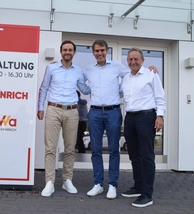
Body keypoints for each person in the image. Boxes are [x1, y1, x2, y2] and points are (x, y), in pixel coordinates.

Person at [83, 40, 157, 200]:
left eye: (102, 50)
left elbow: (134, 74)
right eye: (96, 51)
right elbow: (77, 79)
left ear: (107, 51)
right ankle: (98, 184)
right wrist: (89, 90)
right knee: (95, 150)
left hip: (113, 111)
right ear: (93, 53)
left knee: (113, 150)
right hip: (95, 112)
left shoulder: (117, 67)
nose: (99, 53)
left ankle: (112, 185)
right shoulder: (88, 70)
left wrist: (151, 69)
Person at [37, 40, 91, 197]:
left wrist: (98, 81)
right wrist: (40, 108)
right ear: (61, 52)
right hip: (53, 109)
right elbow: (44, 88)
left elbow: (84, 88)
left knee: (70, 149)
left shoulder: (78, 71)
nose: (67, 52)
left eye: (70, 50)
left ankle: (67, 180)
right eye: (65, 50)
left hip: (72, 112)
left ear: (74, 53)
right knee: (50, 148)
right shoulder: (51, 68)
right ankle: (49, 182)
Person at [120, 47, 165, 208]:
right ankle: (138, 187)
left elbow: (160, 97)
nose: (133, 62)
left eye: (136, 59)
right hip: (130, 118)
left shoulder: (151, 74)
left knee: (147, 156)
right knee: (134, 155)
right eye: (130, 60)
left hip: (146, 117)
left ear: (142, 60)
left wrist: (160, 116)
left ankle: (147, 194)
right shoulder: (126, 78)